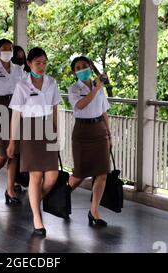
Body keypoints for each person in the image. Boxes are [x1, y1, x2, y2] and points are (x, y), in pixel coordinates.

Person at [7, 47, 61, 237]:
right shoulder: (22, 85)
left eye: (44, 62)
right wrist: (12, 142)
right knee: (36, 176)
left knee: (52, 176)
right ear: (29, 64)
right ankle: (37, 220)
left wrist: (56, 132)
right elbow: (16, 115)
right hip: (29, 130)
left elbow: (55, 109)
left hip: (47, 129)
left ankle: (34, 200)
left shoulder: (52, 83)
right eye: (38, 62)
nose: (42, 66)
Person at [67, 56, 112, 227]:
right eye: (78, 67)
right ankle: (62, 196)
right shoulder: (74, 89)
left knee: (102, 172)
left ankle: (94, 211)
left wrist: (109, 134)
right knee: (79, 173)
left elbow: (104, 111)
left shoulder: (99, 88)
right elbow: (80, 105)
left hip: (99, 130)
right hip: (82, 132)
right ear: (74, 72)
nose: (82, 69)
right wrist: (96, 88)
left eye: (85, 66)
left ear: (91, 68)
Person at [0, 39, 25, 204]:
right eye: (4, 48)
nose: (7, 51)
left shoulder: (19, 69)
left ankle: (10, 189)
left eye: (10, 48)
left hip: (17, 108)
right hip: (0, 106)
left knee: (14, 153)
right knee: (3, 152)